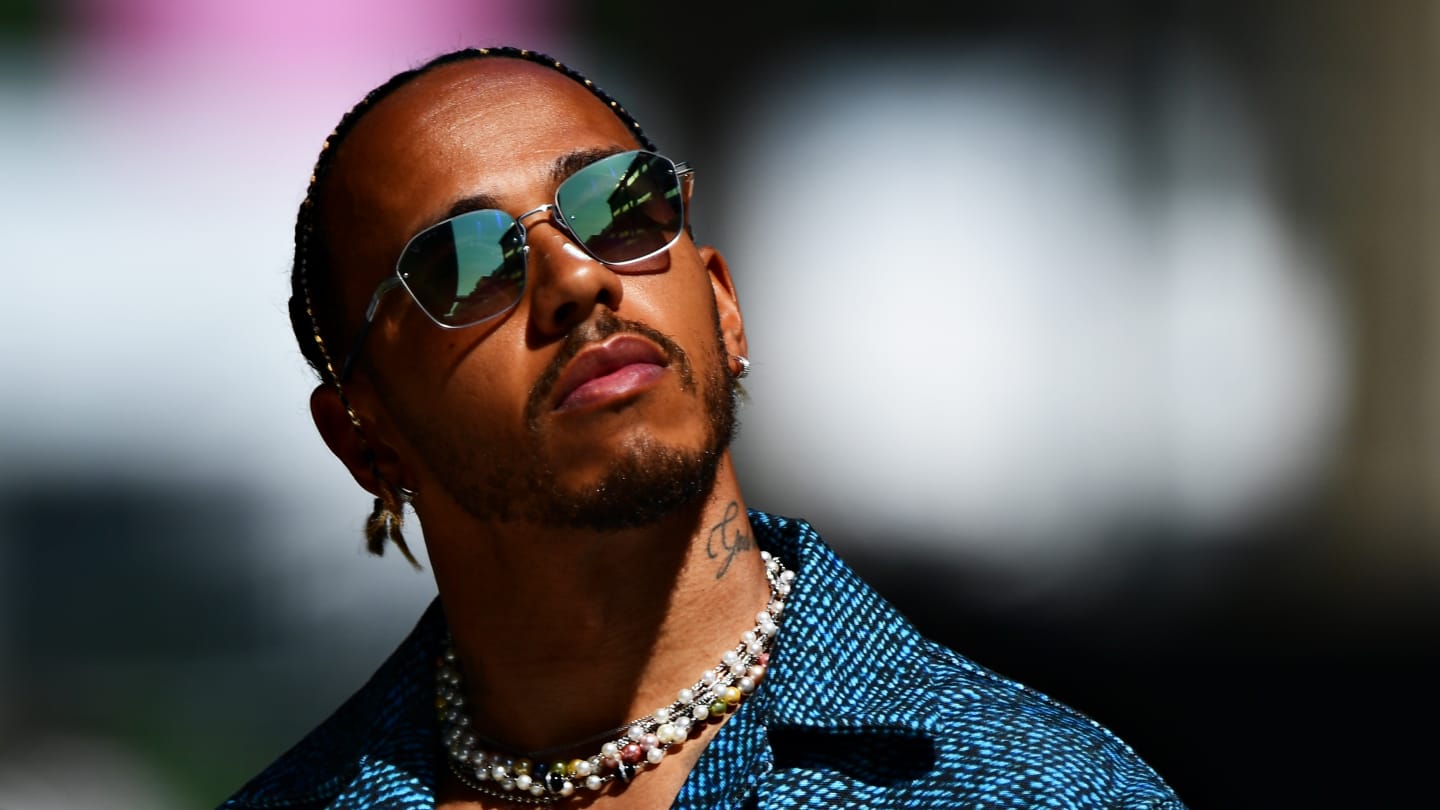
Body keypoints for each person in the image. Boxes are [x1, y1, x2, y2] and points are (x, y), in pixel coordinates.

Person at [220, 46, 1185, 809]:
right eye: (467, 266)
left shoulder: (1023, 790)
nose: (579, 279)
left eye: (621, 207)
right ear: (365, 440)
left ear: (722, 308)